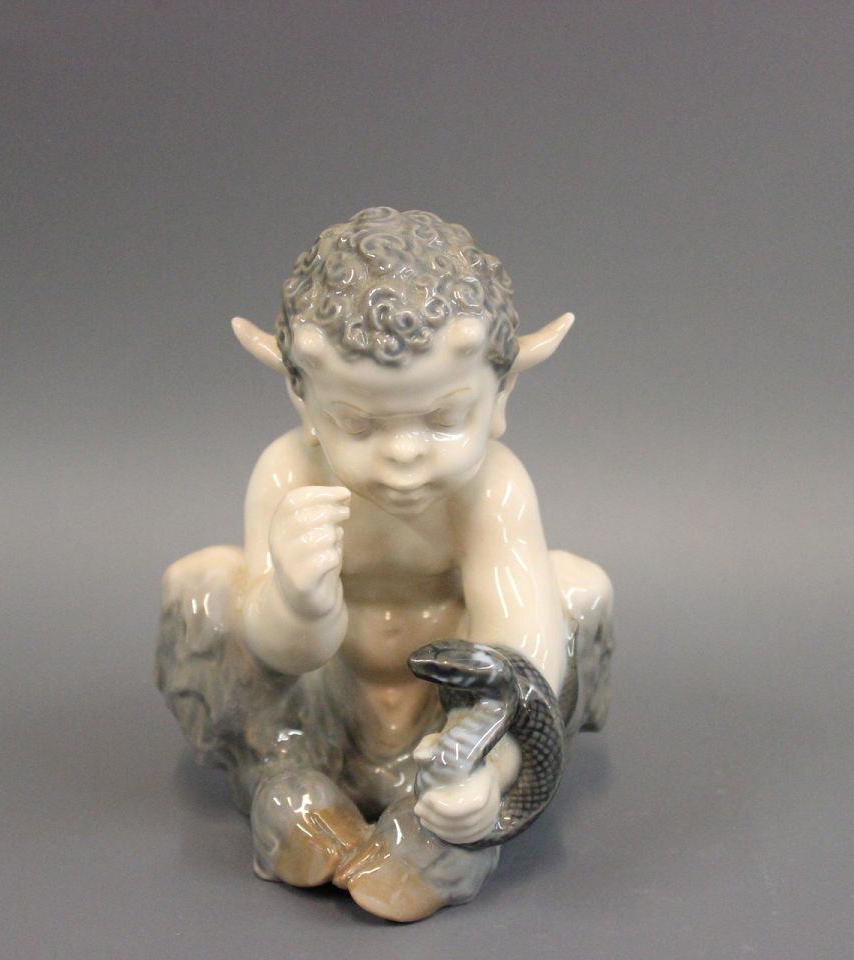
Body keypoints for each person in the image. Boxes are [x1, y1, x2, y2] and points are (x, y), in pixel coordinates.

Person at [157, 207, 612, 921]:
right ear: (303, 399)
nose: (403, 453)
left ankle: (445, 828)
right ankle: (285, 779)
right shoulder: (288, 473)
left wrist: (488, 765)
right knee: (205, 590)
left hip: (448, 714)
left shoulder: (492, 487)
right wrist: (299, 602)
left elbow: (517, 649)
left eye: (443, 418)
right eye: (359, 423)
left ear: (501, 395)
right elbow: (276, 654)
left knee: (577, 595)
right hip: (321, 700)